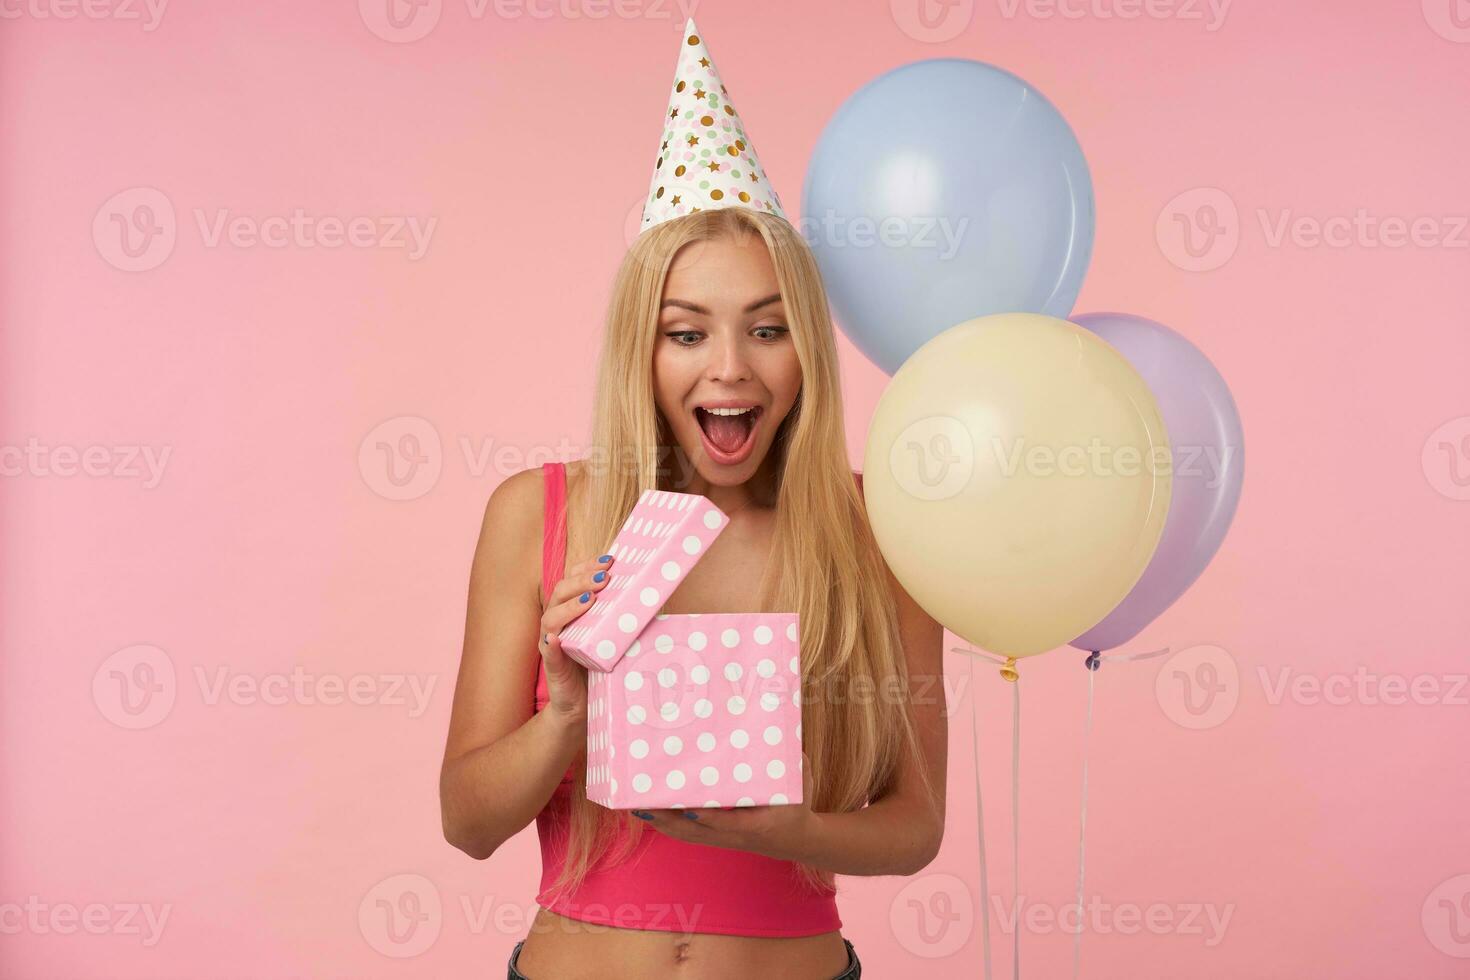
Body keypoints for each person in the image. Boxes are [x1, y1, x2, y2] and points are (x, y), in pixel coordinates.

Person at [440, 19, 946, 979]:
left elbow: (915, 827)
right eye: (686, 333)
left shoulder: (880, 530)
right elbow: (467, 823)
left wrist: (792, 830)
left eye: (766, 329)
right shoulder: (535, 513)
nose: (729, 369)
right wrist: (565, 718)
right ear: (644, 349)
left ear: (807, 349)